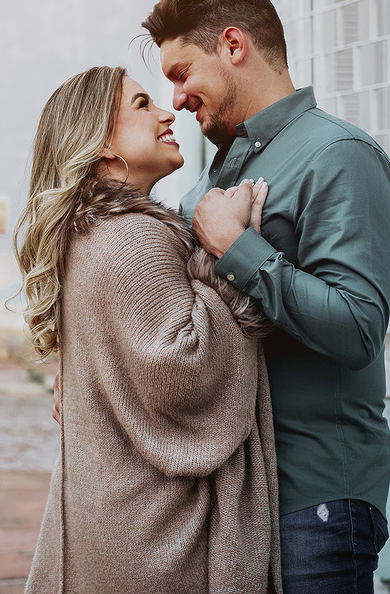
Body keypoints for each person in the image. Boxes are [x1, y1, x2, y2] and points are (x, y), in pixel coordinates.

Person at [146, 0, 390, 593]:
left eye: (182, 73)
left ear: (233, 45)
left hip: (313, 502)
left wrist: (237, 247)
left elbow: (358, 328)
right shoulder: (214, 177)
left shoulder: (339, 156)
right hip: (233, 501)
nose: (175, 99)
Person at [17, 65, 281, 593]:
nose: (167, 113)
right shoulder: (134, 237)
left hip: (113, 519)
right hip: (158, 535)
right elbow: (184, 372)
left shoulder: (89, 234)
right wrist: (229, 252)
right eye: (142, 105)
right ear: (101, 144)